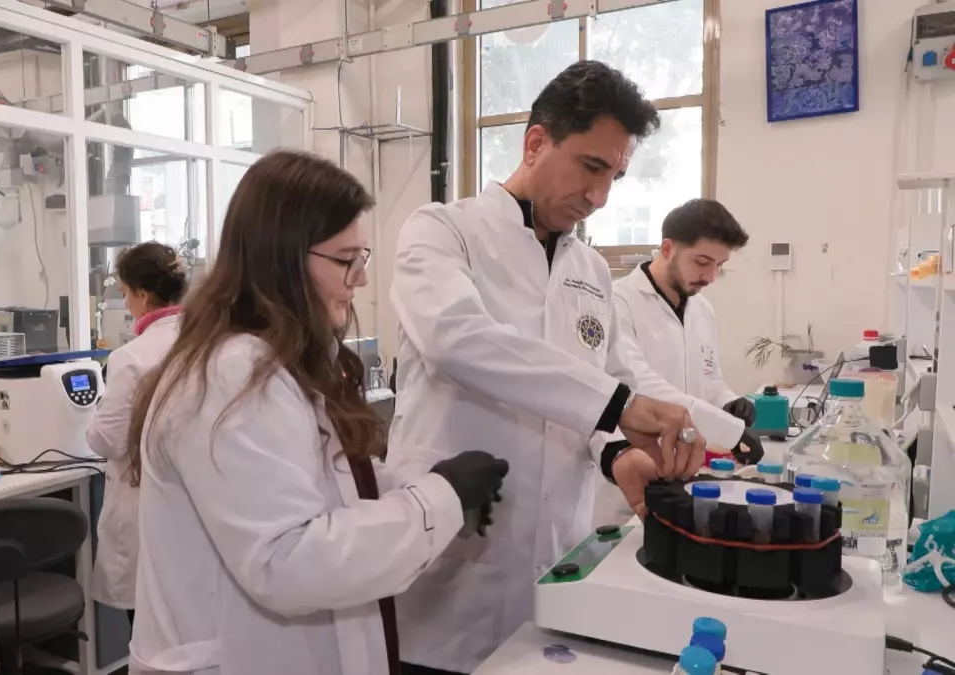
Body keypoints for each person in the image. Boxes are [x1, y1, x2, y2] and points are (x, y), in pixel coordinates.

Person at [124, 150, 510, 675]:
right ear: (281, 259)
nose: (360, 279)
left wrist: (429, 483)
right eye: (346, 260)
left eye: (361, 257)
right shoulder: (231, 375)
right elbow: (286, 559)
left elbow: (329, 485)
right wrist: (438, 499)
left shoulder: (282, 360)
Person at [387, 60, 709, 675]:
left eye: (614, 175)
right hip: (453, 568)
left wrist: (617, 454)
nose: (599, 197)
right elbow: (460, 339)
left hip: (559, 568)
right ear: (536, 142)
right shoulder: (442, 231)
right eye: (591, 166)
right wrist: (619, 408)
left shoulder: (591, 271)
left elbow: (597, 388)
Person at [612, 199, 764, 466]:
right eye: (702, 262)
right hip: (633, 462)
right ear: (667, 249)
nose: (711, 276)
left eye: (719, 265)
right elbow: (638, 383)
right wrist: (727, 429)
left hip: (688, 463)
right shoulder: (618, 302)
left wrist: (729, 403)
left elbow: (710, 380)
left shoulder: (702, 309)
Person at [86, 241, 188, 624]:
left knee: (148, 632)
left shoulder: (131, 358)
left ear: (144, 295)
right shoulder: (205, 343)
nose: (126, 303)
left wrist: (95, 417)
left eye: (126, 293)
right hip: (195, 515)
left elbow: (106, 440)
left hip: (147, 515)